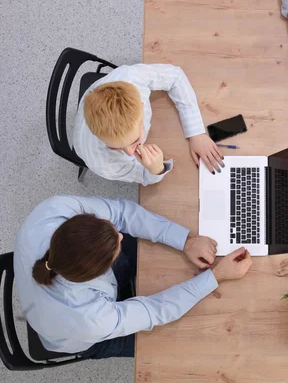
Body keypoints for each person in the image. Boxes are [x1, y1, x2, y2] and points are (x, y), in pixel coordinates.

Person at [14, 195, 252, 358]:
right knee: (172, 342)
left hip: (62, 303)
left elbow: (122, 212)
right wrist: (216, 276)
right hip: (80, 335)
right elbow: (155, 310)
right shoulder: (91, 320)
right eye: (115, 244)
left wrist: (185, 240)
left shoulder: (52, 211)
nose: (120, 235)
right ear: (101, 271)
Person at [73, 63, 224, 186]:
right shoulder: (104, 165)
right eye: (117, 147)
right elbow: (143, 176)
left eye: (134, 141)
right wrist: (156, 169)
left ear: (142, 106)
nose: (130, 154)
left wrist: (196, 132)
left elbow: (175, 76)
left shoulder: (130, 76)